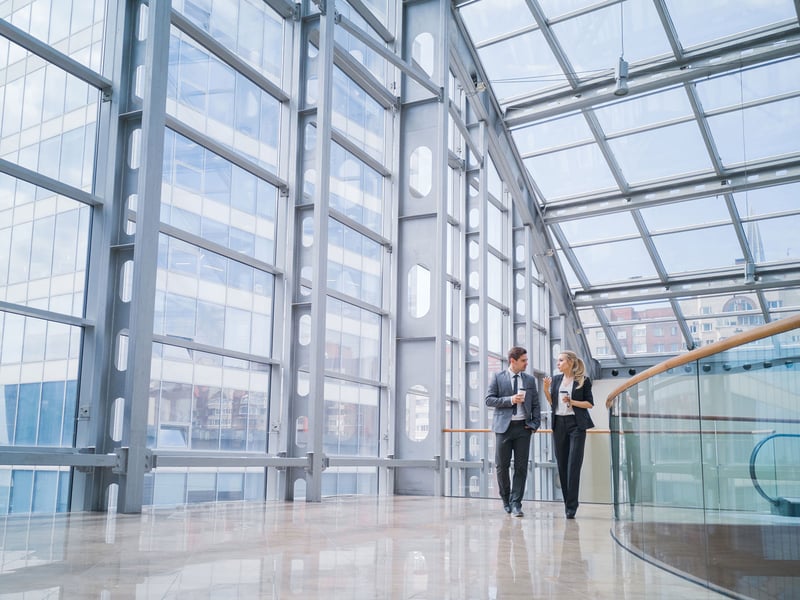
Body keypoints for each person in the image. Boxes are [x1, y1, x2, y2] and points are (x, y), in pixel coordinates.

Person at [485, 346, 541, 517]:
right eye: (523, 361)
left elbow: (536, 405)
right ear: (513, 361)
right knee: (501, 466)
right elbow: (489, 400)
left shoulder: (530, 380)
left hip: (523, 428)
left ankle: (516, 503)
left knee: (521, 467)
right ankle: (506, 500)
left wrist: (534, 425)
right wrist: (510, 400)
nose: (526, 363)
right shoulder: (498, 377)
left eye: (526, 360)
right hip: (503, 428)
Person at [543, 350, 594, 519]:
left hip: (576, 425)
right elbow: (553, 403)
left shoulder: (583, 381)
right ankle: (568, 504)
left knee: (573, 465)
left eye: (560, 360)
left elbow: (589, 404)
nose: (558, 363)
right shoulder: (556, 380)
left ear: (570, 362)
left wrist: (572, 402)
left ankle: (572, 507)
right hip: (559, 425)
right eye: (558, 361)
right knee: (562, 466)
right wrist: (545, 390)